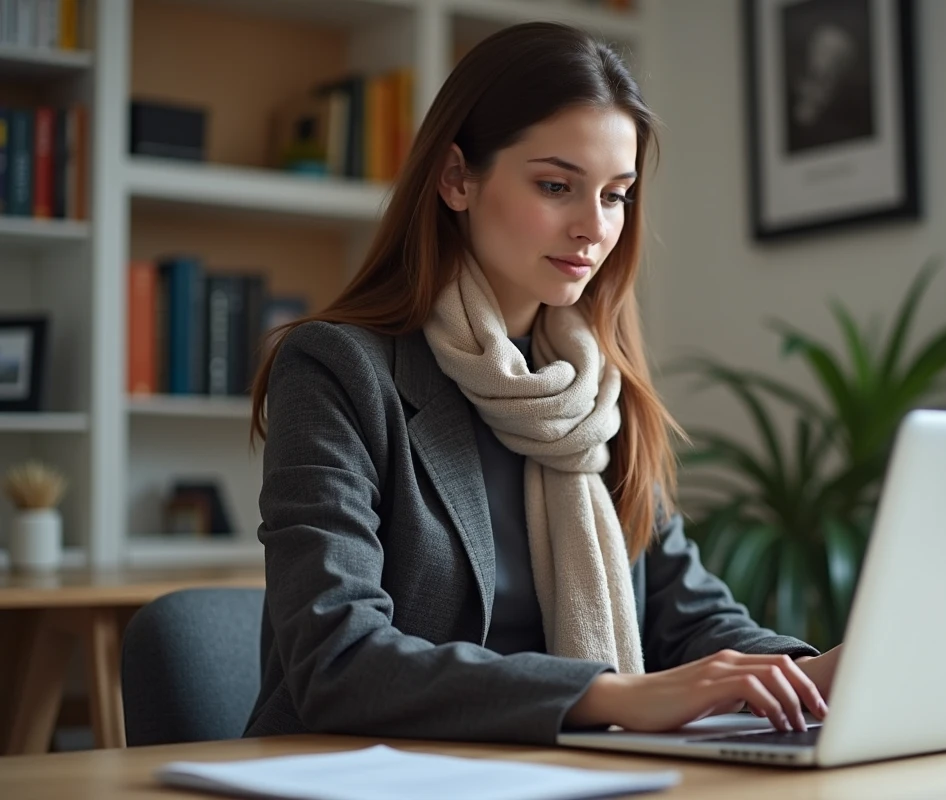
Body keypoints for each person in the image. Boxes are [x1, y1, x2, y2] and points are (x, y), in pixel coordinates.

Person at [244, 21, 841, 746]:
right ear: (457, 178)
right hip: (377, 775)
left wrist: (813, 673)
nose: (594, 228)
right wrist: (610, 694)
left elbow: (689, 617)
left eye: (616, 195)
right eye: (557, 186)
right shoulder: (338, 370)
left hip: (570, 772)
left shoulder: (594, 394)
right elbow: (337, 661)